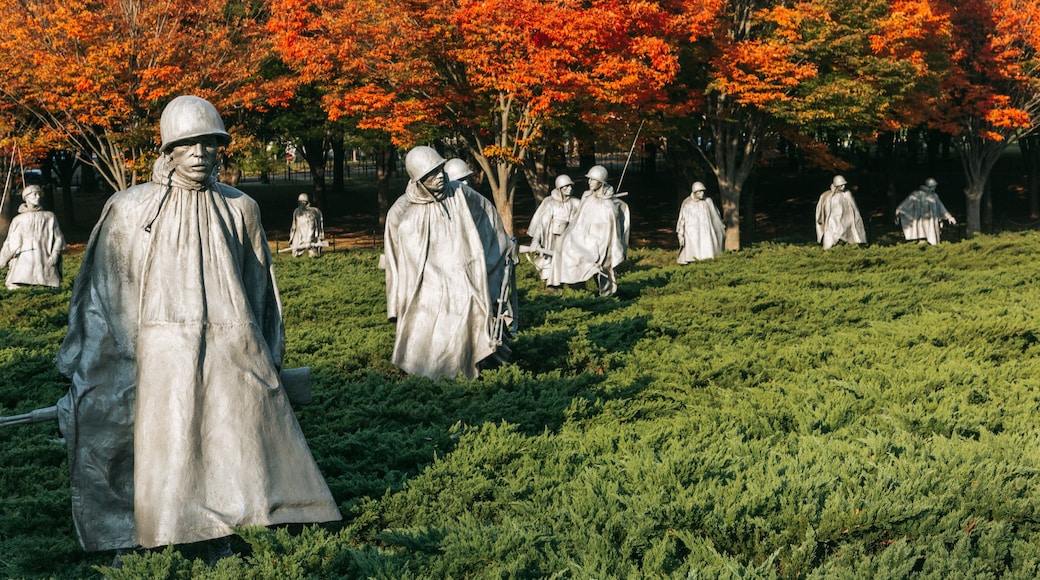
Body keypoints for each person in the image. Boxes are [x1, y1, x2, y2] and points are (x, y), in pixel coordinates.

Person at [54, 95, 341, 553]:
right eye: (188, 144)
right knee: (173, 441)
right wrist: (127, 354)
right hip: (159, 347)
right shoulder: (130, 208)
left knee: (235, 436)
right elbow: (107, 287)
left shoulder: (240, 207)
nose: (200, 153)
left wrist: (268, 354)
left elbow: (261, 287)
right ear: (168, 150)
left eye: (209, 144)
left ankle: (240, 526)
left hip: (232, 343)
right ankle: (171, 533)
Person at [384, 145, 516, 380]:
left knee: (470, 304)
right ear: (418, 180)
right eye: (431, 174)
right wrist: (395, 303)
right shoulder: (400, 211)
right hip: (425, 283)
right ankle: (429, 372)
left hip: (463, 273)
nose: (440, 177)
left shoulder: (459, 193)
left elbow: (488, 215)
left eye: (440, 170)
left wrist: (505, 245)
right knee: (428, 316)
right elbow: (394, 261)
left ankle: (471, 367)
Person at [547, 165, 630, 296]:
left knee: (580, 252)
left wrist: (590, 240)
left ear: (601, 182)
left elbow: (609, 235)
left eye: (592, 179)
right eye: (589, 179)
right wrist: (570, 235)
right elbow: (577, 221)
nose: (589, 182)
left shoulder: (608, 206)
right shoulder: (587, 197)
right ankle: (557, 282)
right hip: (581, 236)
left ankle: (593, 285)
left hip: (598, 243)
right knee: (561, 243)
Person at [0, 184, 65, 289]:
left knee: (52, 285)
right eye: (34, 195)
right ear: (26, 198)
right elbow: (9, 242)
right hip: (24, 261)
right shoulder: (18, 219)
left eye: (39, 194)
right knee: (15, 285)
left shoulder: (49, 216)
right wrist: (3, 258)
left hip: (44, 260)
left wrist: (55, 253)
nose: (38, 197)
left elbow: (59, 237)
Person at [526, 174, 580, 285]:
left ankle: (573, 283)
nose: (570, 189)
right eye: (566, 187)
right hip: (551, 238)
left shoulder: (575, 202)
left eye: (570, 186)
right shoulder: (549, 202)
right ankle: (552, 285)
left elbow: (587, 209)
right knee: (550, 262)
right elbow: (541, 224)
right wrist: (535, 241)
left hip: (568, 238)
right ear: (560, 189)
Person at [895, 177, 956, 245]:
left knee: (933, 240)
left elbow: (941, 207)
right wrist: (899, 211)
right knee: (922, 238)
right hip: (921, 222)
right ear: (930, 186)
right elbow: (906, 203)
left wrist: (949, 217)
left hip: (933, 221)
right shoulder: (917, 194)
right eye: (934, 186)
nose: (935, 188)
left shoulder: (934, 196)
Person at [676, 181, 724, 263]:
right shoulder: (687, 203)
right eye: (699, 192)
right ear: (694, 192)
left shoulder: (708, 201)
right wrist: (681, 234)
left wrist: (720, 227)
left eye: (703, 191)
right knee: (694, 250)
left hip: (707, 232)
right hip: (692, 233)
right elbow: (682, 220)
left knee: (708, 248)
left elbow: (715, 216)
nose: (702, 193)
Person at [815, 174, 866, 249]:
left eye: (844, 185)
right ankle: (829, 250)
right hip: (832, 221)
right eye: (841, 185)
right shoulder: (827, 196)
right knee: (830, 237)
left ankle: (848, 247)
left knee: (847, 235)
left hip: (846, 221)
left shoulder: (847, 194)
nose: (843, 187)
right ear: (836, 185)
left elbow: (854, 210)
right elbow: (821, 209)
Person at [288, 192, 326, 257]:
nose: (300, 203)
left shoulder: (312, 213)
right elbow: (294, 225)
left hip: (310, 236)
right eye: (299, 202)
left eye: (302, 202)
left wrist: (309, 239)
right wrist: (292, 237)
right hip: (298, 236)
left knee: (313, 254)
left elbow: (312, 227)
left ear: (306, 202)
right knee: (295, 253)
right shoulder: (296, 211)